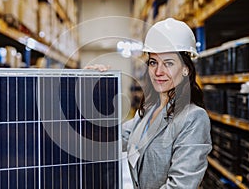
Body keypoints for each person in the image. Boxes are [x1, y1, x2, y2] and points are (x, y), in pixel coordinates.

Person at [86, 18, 212, 189]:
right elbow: (110, 139)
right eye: (153, 62)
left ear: (185, 69)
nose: (158, 72)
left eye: (168, 63)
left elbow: (181, 186)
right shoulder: (149, 111)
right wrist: (89, 86)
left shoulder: (194, 118)